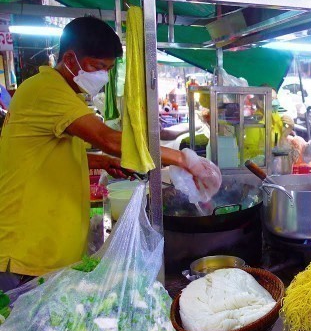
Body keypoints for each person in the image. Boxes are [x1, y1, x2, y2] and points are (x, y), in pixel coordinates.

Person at [0, 16, 221, 292]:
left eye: (108, 69)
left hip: (46, 247)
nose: (103, 76)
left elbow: (46, 155)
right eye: (97, 66)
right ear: (70, 60)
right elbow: (108, 139)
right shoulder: (47, 90)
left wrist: (102, 162)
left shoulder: (60, 93)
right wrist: (184, 160)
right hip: (29, 253)